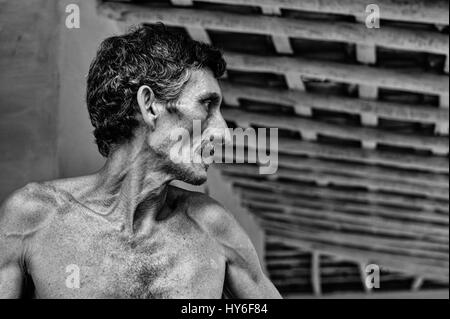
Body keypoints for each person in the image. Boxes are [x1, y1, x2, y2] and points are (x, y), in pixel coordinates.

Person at [0, 24, 281, 299]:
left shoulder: (212, 226)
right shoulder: (34, 217)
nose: (223, 133)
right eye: (206, 104)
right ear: (149, 105)